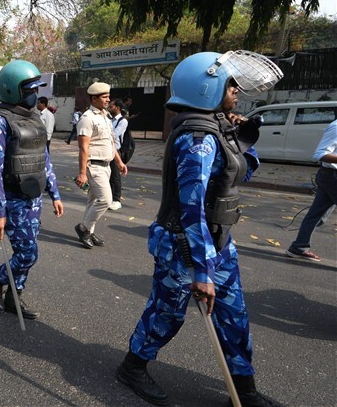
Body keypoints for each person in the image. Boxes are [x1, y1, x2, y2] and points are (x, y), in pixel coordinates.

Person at [116, 50, 283, 406]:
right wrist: (203, 269)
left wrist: (245, 140)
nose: (237, 90)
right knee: (167, 313)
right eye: (231, 83)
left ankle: (244, 390)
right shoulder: (197, 139)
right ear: (207, 86)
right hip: (184, 244)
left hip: (218, 241)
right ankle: (133, 366)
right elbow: (192, 209)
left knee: (233, 314)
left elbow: (233, 177)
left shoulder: (217, 129)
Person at [0, 60, 64, 320]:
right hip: (13, 199)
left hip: (34, 196)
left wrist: (55, 193)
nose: (34, 94)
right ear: (12, 90)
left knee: (26, 250)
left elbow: (44, 158)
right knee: (28, 253)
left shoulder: (36, 119)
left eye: (36, 89)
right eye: (29, 89)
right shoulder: (0, 123)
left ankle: (14, 294)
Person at [73, 82, 127, 249]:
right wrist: (82, 173)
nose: (108, 100)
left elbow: (110, 141)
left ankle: (88, 230)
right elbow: (83, 147)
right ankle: (83, 228)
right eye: (104, 97)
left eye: (108, 96)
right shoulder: (87, 119)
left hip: (107, 165)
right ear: (94, 98)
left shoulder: (105, 116)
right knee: (105, 200)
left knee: (94, 200)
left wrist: (119, 162)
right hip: (94, 166)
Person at [286, 119, 337, 262]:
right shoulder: (336, 127)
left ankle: (299, 247)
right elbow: (319, 154)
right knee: (316, 216)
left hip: (329, 176)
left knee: (318, 216)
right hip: (332, 177)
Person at [108, 99, 127, 211]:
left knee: (115, 176)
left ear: (118, 108)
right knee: (108, 175)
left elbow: (113, 135)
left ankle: (117, 200)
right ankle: (109, 198)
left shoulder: (122, 121)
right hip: (108, 150)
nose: (109, 108)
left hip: (116, 151)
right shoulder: (109, 120)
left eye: (111, 106)